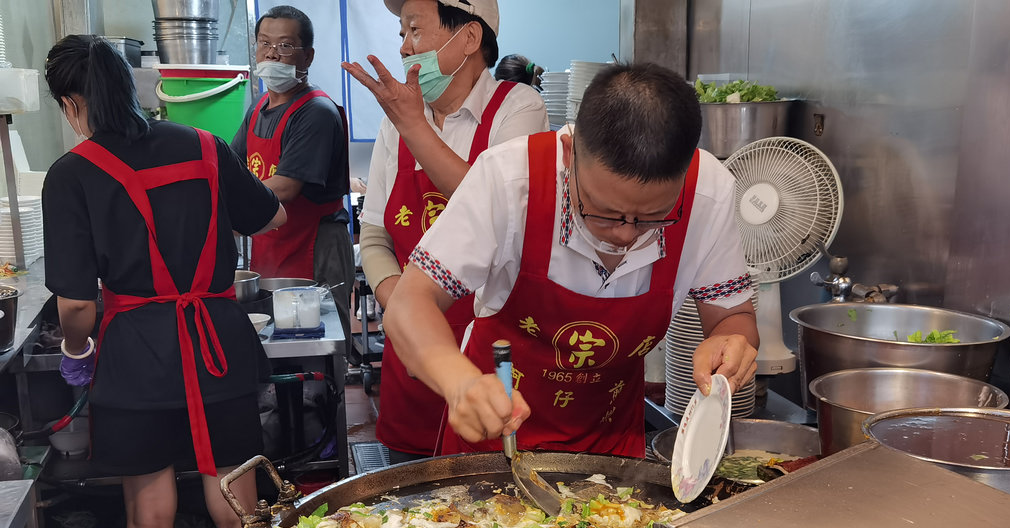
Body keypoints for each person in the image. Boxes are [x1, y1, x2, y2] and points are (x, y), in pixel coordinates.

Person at [42, 35, 286, 528]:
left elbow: (75, 305)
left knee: (149, 515)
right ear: (133, 88)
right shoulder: (203, 146)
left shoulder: (71, 175)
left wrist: (77, 353)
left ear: (72, 105)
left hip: (135, 357)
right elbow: (269, 216)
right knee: (237, 508)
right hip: (218, 347)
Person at [382, 62, 759, 457]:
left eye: (653, 218)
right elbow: (410, 302)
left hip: (611, 457)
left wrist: (730, 343)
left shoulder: (709, 193)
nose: (626, 235)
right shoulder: (509, 179)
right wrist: (460, 383)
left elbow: (733, 319)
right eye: (603, 212)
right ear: (569, 154)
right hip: (494, 445)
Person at [342, 0, 549, 463]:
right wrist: (408, 318)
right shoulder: (393, 126)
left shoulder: (517, 108)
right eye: (400, 34)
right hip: (411, 361)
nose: (403, 48)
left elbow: (495, 212)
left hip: (492, 360)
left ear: (469, 39)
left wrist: (413, 123)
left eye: (414, 30)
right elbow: (375, 234)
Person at [230, 5, 354, 356]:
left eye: (285, 45)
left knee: (317, 347)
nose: (271, 53)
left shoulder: (315, 111)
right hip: (272, 243)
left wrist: (229, 214)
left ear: (308, 56)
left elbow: (285, 187)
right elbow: (233, 168)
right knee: (275, 342)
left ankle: (325, 408)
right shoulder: (258, 107)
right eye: (264, 43)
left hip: (315, 245)